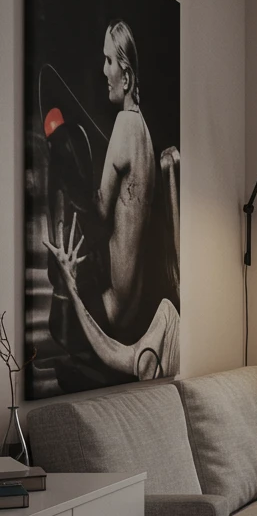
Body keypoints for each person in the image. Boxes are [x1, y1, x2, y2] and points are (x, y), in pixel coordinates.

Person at [44, 213, 179, 381]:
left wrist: (70, 286)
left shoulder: (167, 319)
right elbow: (112, 353)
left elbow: (111, 353)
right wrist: (70, 286)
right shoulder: (167, 318)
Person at [96, 19, 157, 338]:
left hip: (112, 305)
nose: (104, 70)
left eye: (109, 61)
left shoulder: (123, 125)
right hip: (135, 308)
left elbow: (100, 210)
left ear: (127, 76)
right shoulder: (145, 135)